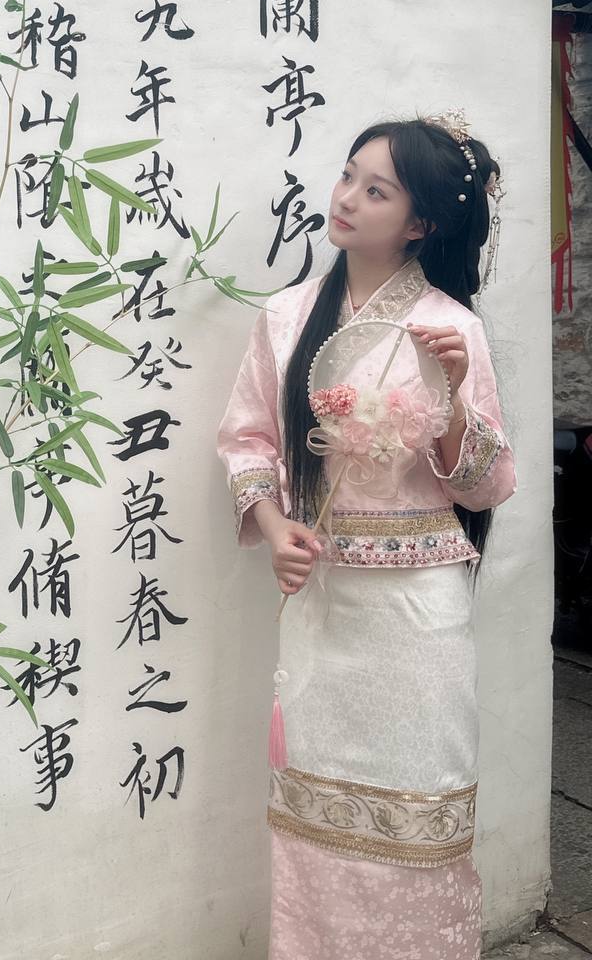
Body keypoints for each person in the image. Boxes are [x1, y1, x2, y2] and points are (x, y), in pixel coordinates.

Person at [216, 114, 516, 960]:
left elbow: (485, 484)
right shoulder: (285, 318)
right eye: (348, 175)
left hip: (419, 619)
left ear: (419, 223)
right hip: (324, 609)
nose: (345, 198)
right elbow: (248, 442)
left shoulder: (450, 327)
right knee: (316, 822)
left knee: (418, 824)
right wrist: (277, 529)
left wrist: (455, 391)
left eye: (375, 189)